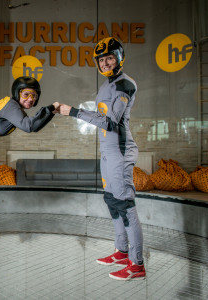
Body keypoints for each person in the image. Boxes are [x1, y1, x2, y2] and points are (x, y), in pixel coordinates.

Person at [59, 37, 145, 281]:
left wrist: (73, 111)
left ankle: (137, 264)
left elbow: (110, 122)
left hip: (120, 151)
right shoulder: (107, 86)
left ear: (119, 58)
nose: (105, 63)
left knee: (125, 206)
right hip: (107, 152)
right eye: (101, 59)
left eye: (109, 58)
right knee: (111, 200)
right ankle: (122, 250)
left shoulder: (125, 84)